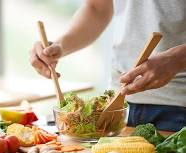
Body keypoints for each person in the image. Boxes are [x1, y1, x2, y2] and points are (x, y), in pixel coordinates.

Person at [29, 0, 186, 132]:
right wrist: (59, 46)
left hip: (179, 104)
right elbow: (97, 8)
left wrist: (177, 60)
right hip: (118, 104)